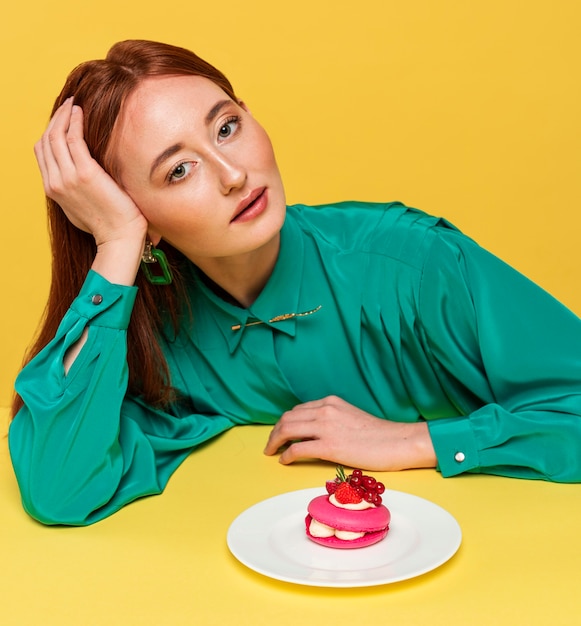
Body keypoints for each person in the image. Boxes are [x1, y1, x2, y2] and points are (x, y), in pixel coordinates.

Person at [9, 40, 581, 526]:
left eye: (227, 127)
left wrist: (414, 441)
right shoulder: (152, 333)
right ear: (140, 218)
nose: (235, 175)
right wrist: (115, 246)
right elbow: (60, 487)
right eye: (178, 170)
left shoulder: (415, 264)